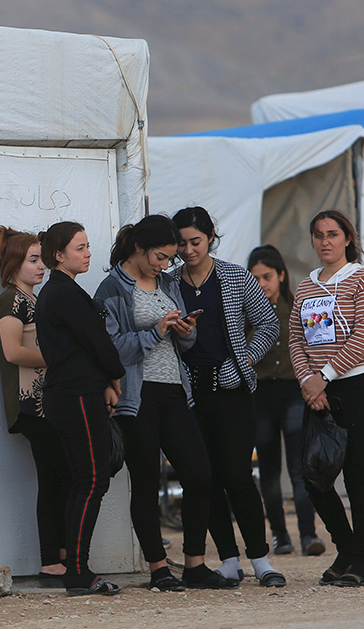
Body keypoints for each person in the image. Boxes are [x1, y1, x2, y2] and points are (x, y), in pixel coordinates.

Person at [95, 214, 237, 591]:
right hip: (137, 397)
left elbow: (180, 345)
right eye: (160, 257)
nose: (165, 265)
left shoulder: (166, 284)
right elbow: (111, 351)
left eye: (169, 259)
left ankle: (194, 564)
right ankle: (158, 568)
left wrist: (184, 331)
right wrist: (157, 330)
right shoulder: (111, 289)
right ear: (139, 249)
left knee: (199, 474)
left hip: (175, 390)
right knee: (146, 482)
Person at [170, 206, 285, 587]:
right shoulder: (170, 284)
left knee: (237, 475)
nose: (188, 250)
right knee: (204, 479)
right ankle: (229, 560)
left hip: (233, 391)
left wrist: (248, 358)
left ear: (210, 237)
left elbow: (268, 322)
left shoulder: (236, 276)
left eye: (196, 242)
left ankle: (261, 560)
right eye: (182, 243)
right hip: (189, 394)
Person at [288, 210, 364, 588]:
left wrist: (324, 376)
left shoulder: (363, 280)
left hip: (361, 386)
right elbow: (297, 338)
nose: (325, 241)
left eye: (332, 234)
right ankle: (346, 550)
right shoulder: (306, 286)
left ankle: (363, 562)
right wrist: (307, 381)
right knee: (314, 474)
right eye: (318, 235)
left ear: (347, 238)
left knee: (356, 475)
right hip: (318, 391)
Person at [34, 221, 126, 595]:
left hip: (75, 393)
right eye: (79, 248)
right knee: (91, 480)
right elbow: (97, 343)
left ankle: (76, 568)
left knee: (84, 480)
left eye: (88, 246)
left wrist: (104, 382)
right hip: (75, 397)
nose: (88, 253)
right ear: (58, 255)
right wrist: (115, 376)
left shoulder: (63, 291)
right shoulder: (63, 293)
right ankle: (77, 571)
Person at [0, 226, 69, 586]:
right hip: (29, 405)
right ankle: (51, 562)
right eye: (32, 260)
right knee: (54, 479)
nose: (41, 266)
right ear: (13, 264)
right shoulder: (11, 300)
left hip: (46, 403)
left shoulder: (33, 300)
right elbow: (12, 352)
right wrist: (59, 360)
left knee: (62, 476)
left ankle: (62, 555)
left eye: (41, 260)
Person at [248, 245, 326, 557]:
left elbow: (318, 347)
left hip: (295, 392)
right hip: (261, 395)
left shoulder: (299, 307)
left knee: (299, 467)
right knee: (268, 469)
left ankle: (309, 534)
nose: (263, 284)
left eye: (267, 276)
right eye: (256, 279)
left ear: (281, 275)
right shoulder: (246, 313)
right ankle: (280, 537)